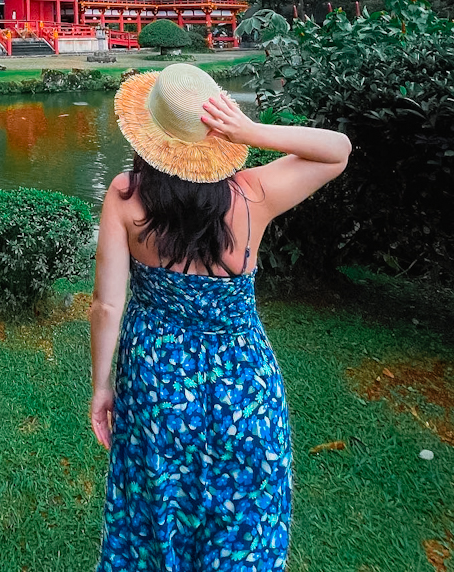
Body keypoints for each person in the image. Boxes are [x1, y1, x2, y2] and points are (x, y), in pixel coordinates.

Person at [90, 63, 351, 571]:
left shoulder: (126, 194)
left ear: (149, 132)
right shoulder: (255, 192)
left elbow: (107, 305)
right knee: (242, 520)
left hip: (155, 379)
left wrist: (103, 388)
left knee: (155, 508)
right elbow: (338, 149)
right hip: (243, 382)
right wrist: (250, 131)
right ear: (218, 131)